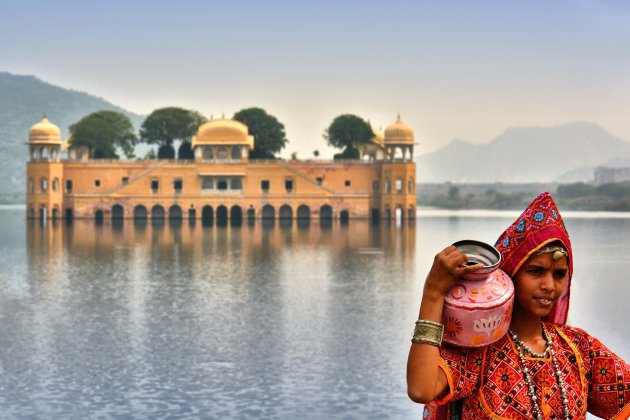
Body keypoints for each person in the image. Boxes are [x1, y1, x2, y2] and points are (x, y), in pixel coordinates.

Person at [407, 192, 630, 419]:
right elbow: (421, 389)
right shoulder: (479, 351)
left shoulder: (578, 348)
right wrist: (433, 293)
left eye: (560, 274)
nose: (550, 285)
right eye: (536, 271)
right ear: (510, 273)